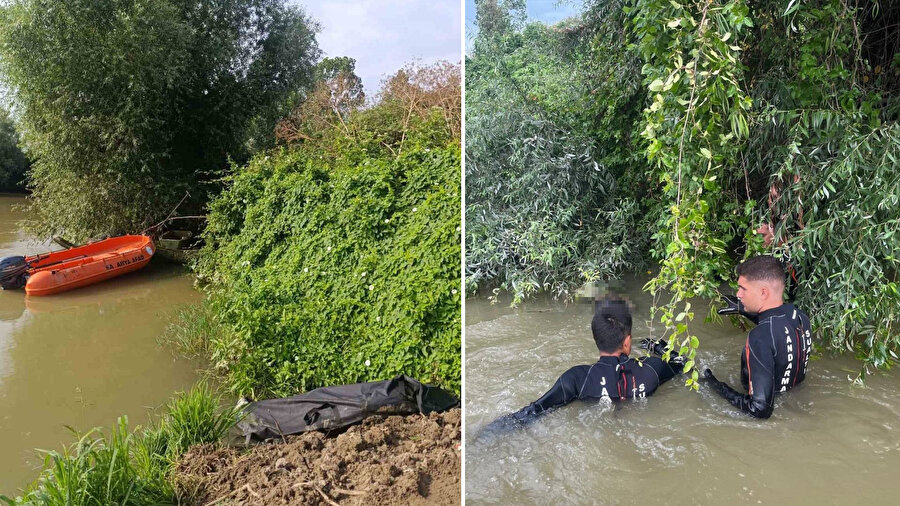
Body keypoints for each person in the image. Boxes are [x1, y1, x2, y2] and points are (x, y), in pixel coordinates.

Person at [478, 300, 684, 439]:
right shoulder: (652, 368)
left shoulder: (578, 377)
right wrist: (658, 347)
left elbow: (534, 410)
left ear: (595, 339)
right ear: (627, 342)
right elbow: (682, 362)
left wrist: (487, 434)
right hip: (640, 431)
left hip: (595, 433)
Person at [705, 255, 812, 419]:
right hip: (795, 400)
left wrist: (717, 387)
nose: (738, 294)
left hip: (773, 417)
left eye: (743, 289)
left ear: (763, 292)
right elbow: (778, 330)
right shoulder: (800, 316)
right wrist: (745, 310)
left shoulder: (759, 338)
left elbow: (760, 410)